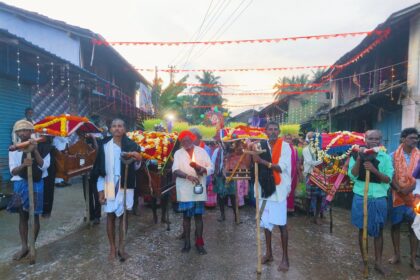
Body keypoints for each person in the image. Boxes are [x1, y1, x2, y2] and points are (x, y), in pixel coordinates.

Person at [94, 118, 142, 261]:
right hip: (109, 183)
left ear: (125, 128)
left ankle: (122, 247)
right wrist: (100, 190)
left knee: (124, 216)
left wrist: (137, 157)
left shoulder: (132, 145)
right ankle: (112, 248)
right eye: (114, 126)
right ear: (110, 128)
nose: (117, 128)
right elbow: (99, 169)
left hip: (126, 184)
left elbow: (137, 167)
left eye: (120, 126)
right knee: (110, 215)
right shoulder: (104, 145)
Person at [349, 130, 393, 275]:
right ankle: (365, 260)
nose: (374, 141)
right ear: (365, 139)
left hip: (379, 198)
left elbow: (388, 179)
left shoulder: (385, 157)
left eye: (377, 139)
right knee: (363, 229)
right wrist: (360, 159)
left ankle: (378, 263)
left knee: (379, 230)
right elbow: (353, 175)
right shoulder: (355, 154)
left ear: (381, 140)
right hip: (361, 196)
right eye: (371, 138)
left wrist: (374, 170)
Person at [252, 121, 291, 272]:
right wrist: (251, 150)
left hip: (279, 190)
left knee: (282, 225)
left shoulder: (285, 146)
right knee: (266, 224)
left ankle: (285, 258)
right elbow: (252, 163)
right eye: (270, 129)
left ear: (279, 131)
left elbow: (281, 167)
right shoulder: (260, 145)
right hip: (264, 189)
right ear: (265, 131)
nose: (273, 131)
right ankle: (268, 253)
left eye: (276, 129)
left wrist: (262, 161)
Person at [8, 120, 51, 260]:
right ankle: (24, 247)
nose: (22, 133)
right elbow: (13, 171)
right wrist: (23, 165)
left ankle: (32, 245)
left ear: (31, 132)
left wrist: (35, 150)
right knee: (22, 216)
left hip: (36, 183)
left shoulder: (43, 146)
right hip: (20, 184)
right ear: (16, 134)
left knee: (35, 215)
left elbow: (44, 166)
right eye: (19, 131)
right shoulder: (14, 148)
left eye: (26, 130)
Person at [172, 130, 213, 255]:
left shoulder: (201, 151)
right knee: (186, 217)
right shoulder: (178, 153)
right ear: (181, 142)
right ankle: (187, 243)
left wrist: (201, 169)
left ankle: (199, 243)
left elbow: (211, 167)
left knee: (198, 217)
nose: (186, 142)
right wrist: (188, 176)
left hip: (198, 189)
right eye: (183, 141)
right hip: (184, 190)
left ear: (193, 139)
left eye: (188, 140)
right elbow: (175, 170)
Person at [389, 127, 420, 270]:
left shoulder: (419, 156)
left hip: (415, 197)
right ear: (403, 139)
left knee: (414, 227)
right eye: (412, 138)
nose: (415, 140)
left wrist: (410, 188)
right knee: (395, 225)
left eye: (416, 138)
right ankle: (396, 255)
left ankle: (413, 258)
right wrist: (400, 189)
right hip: (397, 196)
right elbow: (389, 175)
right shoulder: (392, 155)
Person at [302, 132, 324, 224]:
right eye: (311, 138)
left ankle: (316, 217)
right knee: (308, 197)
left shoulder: (320, 150)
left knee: (320, 197)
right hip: (310, 175)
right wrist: (322, 160)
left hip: (320, 175)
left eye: (315, 138)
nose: (314, 140)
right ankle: (307, 215)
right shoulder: (306, 149)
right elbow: (309, 161)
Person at [284, 134, 299, 214]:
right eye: (287, 138)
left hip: (293, 174)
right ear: (284, 139)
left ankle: (290, 208)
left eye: (290, 139)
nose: (288, 140)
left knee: (291, 191)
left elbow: (297, 162)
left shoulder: (294, 149)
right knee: (284, 191)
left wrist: (299, 173)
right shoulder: (281, 149)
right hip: (283, 174)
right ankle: (283, 209)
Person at [42, 136, 55, 218]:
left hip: (47, 172)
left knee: (47, 190)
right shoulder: (50, 147)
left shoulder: (50, 147)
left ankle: (46, 211)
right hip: (47, 172)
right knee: (48, 190)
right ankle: (46, 211)